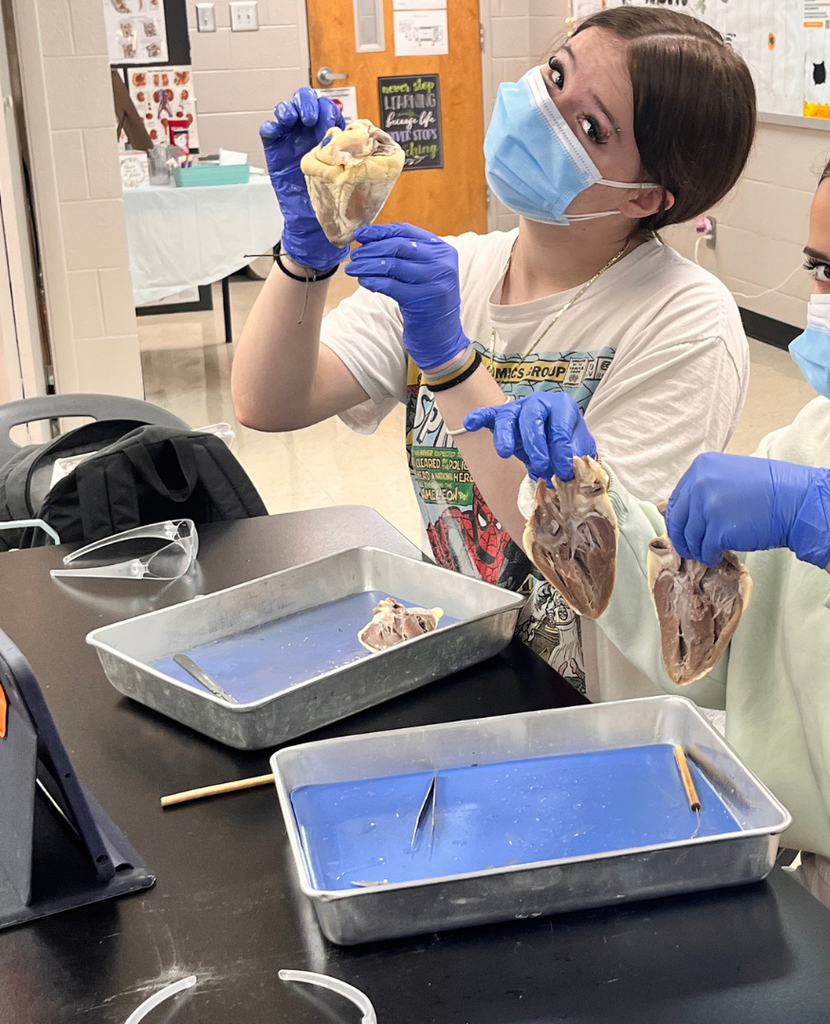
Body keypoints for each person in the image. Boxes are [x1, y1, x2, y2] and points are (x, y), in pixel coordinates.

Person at [468, 100, 830, 1024]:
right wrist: (580, 498)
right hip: (817, 895)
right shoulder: (823, 436)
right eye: (827, 271)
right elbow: (714, 650)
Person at [232, 7, 757, 699]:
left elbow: (591, 565)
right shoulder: (458, 270)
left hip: (592, 714)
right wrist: (306, 251)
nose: (544, 112)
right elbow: (269, 402)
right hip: (464, 674)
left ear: (647, 198)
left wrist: (451, 364)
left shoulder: (686, 320)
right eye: (555, 75)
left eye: (591, 127)